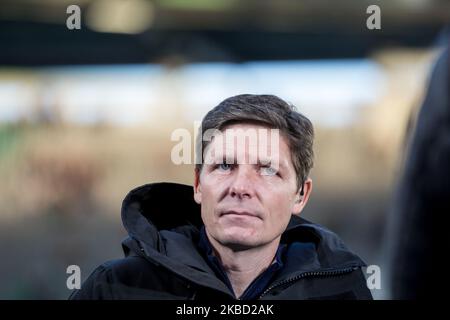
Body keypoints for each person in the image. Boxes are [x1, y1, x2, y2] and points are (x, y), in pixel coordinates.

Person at [70, 94, 372, 300]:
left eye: (267, 170)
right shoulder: (116, 288)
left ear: (300, 195)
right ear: (199, 184)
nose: (240, 187)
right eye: (224, 166)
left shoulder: (341, 288)